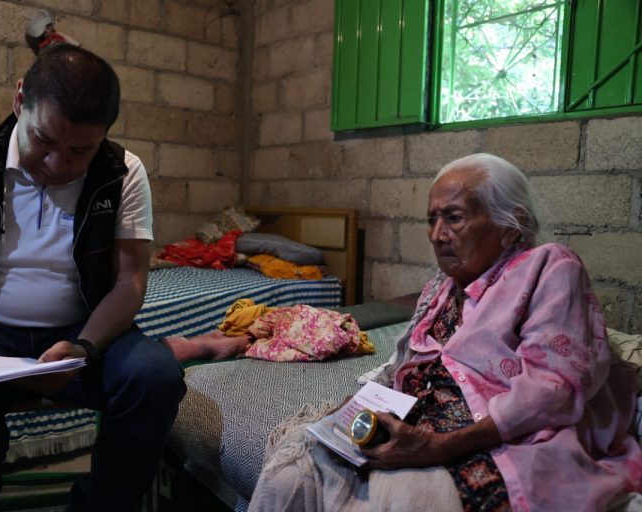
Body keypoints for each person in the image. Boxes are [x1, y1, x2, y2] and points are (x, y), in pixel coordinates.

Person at [0, 44, 186, 511]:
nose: (57, 165)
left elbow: (131, 282)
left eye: (80, 151)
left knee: (155, 377)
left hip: (80, 335)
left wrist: (84, 346)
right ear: (19, 98)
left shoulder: (122, 172)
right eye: (43, 139)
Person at [248, 153, 642, 512]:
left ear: (510, 225)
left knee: (399, 501)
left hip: (494, 440)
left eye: (453, 218)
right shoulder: (441, 285)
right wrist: (359, 403)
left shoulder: (551, 267)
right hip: (418, 426)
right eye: (432, 219)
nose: (436, 235)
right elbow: (405, 364)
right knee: (290, 472)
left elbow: (554, 387)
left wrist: (440, 447)